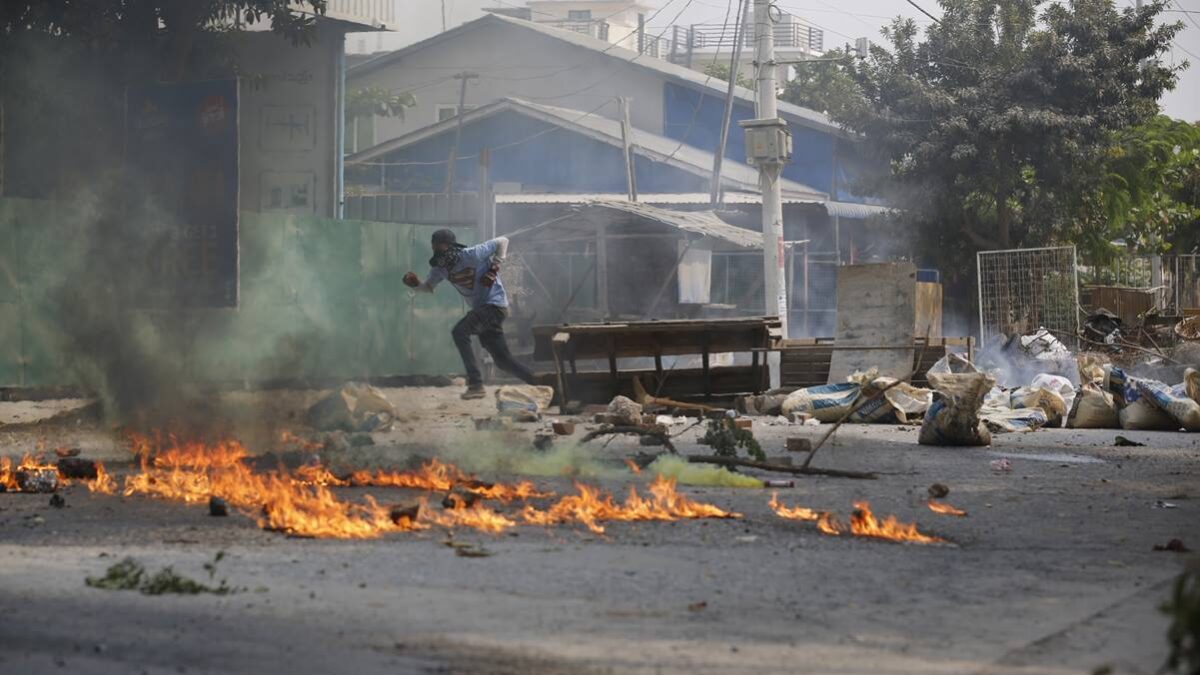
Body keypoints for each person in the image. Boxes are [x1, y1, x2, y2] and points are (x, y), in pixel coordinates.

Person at [403, 229, 537, 399]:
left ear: (451, 246)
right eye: (435, 248)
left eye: (441, 247)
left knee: (460, 331)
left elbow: (502, 241)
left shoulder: (471, 254)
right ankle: (541, 382)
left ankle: (476, 384)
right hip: (484, 311)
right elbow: (429, 288)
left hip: (494, 306)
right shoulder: (440, 269)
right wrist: (415, 285)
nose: (438, 252)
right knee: (503, 361)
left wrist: (493, 268)